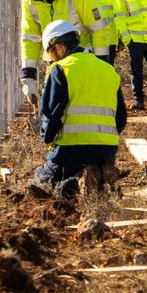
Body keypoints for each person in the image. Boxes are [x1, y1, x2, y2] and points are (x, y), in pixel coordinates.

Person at [26, 19, 127, 200]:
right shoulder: (109, 70)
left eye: (52, 54)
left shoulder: (61, 69)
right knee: (90, 169)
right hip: (106, 151)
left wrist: (47, 137)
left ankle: (72, 186)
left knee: (42, 179)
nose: (52, 60)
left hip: (71, 151)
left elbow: (51, 114)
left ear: (59, 47)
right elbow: (120, 119)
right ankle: (100, 182)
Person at [13, 0, 115, 108]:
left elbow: (99, 31)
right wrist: (28, 77)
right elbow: (30, 38)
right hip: (54, 65)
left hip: (84, 63)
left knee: (84, 112)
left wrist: (101, 67)